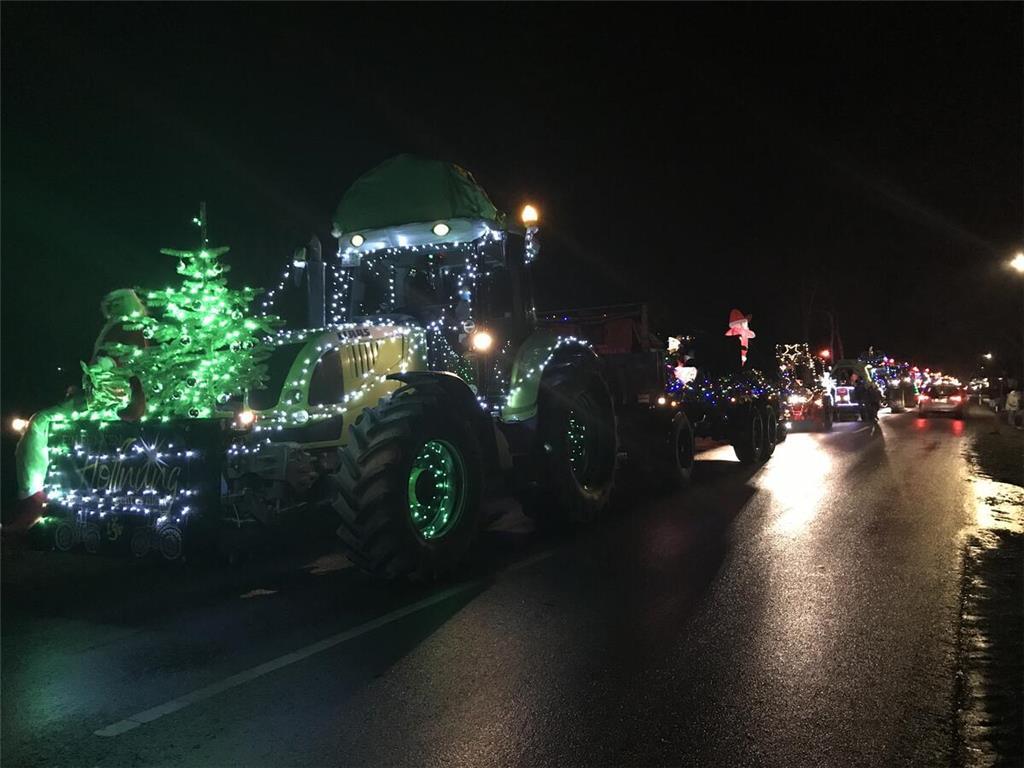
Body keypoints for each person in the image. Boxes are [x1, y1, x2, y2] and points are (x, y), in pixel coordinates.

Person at [5, 289, 148, 544]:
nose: (113, 308)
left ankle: (32, 499)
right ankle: (32, 498)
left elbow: (127, 364)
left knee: (40, 422)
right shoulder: (117, 328)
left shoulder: (128, 328)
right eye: (110, 303)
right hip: (96, 397)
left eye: (118, 302)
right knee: (39, 423)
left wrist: (103, 369)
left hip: (110, 401)